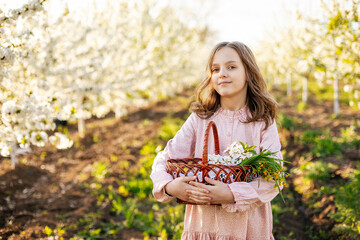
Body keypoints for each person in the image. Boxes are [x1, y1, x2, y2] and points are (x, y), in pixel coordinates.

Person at [150, 41, 283, 240]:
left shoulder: (262, 122)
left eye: (231, 67)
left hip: (247, 228)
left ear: (249, 73)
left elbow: (273, 178)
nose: (222, 73)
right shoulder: (200, 119)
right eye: (215, 69)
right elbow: (164, 159)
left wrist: (231, 194)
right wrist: (170, 186)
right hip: (204, 225)